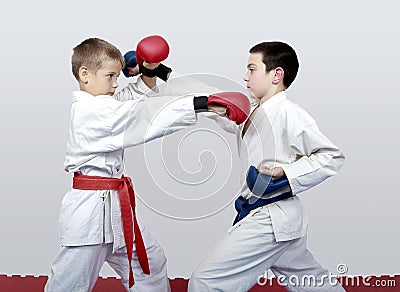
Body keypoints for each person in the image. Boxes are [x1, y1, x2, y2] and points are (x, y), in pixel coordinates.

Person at [44, 36, 250, 292]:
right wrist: (203, 103)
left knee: (150, 263)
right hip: (90, 213)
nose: (116, 83)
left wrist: (149, 73)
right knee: (70, 283)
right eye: (110, 76)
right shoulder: (89, 111)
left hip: (117, 208)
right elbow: (143, 113)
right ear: (85, 74)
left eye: (118, 76)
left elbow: (136, 100)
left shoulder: (105, 104)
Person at [188, 41, 346, 291]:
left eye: (252, 69)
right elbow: (228, 119)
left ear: (276, 75)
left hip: (271, 217)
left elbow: (330, 156)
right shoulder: (254, 111)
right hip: (277, 219)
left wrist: (286, 172)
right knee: (312, 283)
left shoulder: (288, 113)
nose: (245, 76)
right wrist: (163, 76)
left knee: (206, 280)